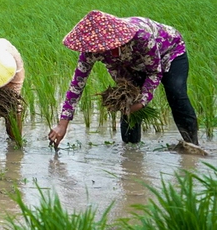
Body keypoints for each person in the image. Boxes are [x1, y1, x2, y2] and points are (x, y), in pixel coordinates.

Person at [48, 10, 198, 147]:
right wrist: (62, 124)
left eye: (100, 46)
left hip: (169, 52)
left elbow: (154, 72)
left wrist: (142, 102)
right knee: (126, 99)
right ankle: (131, 153)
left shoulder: (140, 37)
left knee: (176, 92)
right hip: (130, 64)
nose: (96, 50)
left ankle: (192, 145)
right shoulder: (91, 51)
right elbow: (76, 86)